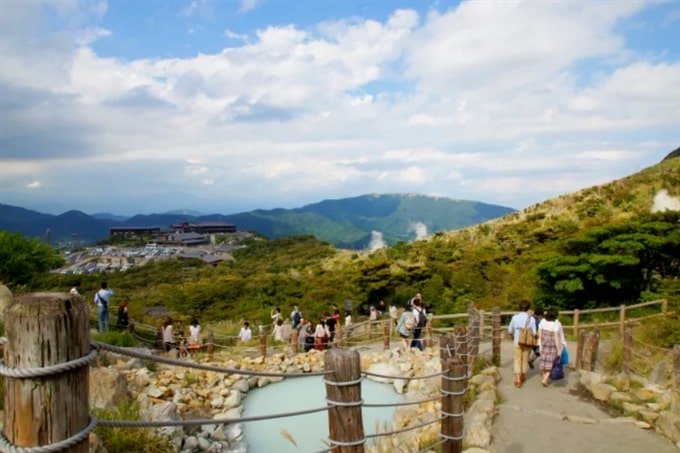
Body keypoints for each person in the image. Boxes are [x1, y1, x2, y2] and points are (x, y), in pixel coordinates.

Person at [508, 300, 537, 388]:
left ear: (519, 307)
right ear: (528, 308)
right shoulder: (531, 319)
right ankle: (523, 375)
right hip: (527, 342)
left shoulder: (515, 317)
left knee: (517, 359)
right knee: (525, 360)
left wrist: (512, 335)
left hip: (517, 341)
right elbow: (535, 332)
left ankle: (518, 379)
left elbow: (510, 330)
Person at [538, 308, 564, 387]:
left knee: (543, 361)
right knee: (552, 363)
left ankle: (545, 378)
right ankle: (545, 378)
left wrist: (540, 342)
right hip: (552, 345)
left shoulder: (542, 321)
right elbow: (556, 337)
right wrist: (559, 349)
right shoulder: (556, 324)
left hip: (544, 343)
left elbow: (539, 333)